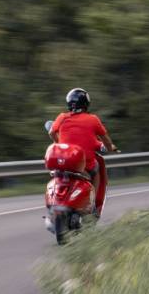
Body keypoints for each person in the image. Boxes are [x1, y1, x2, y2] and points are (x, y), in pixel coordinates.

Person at [49, 88, 118, 218]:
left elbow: (51, 132)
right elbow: (105, 139)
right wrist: (110, 147)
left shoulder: (62, 117)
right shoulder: (93, 119)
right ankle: (92, 203)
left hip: (64, 160)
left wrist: (58, 143)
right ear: (86, 103)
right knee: (96, 169)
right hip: (84, 164)